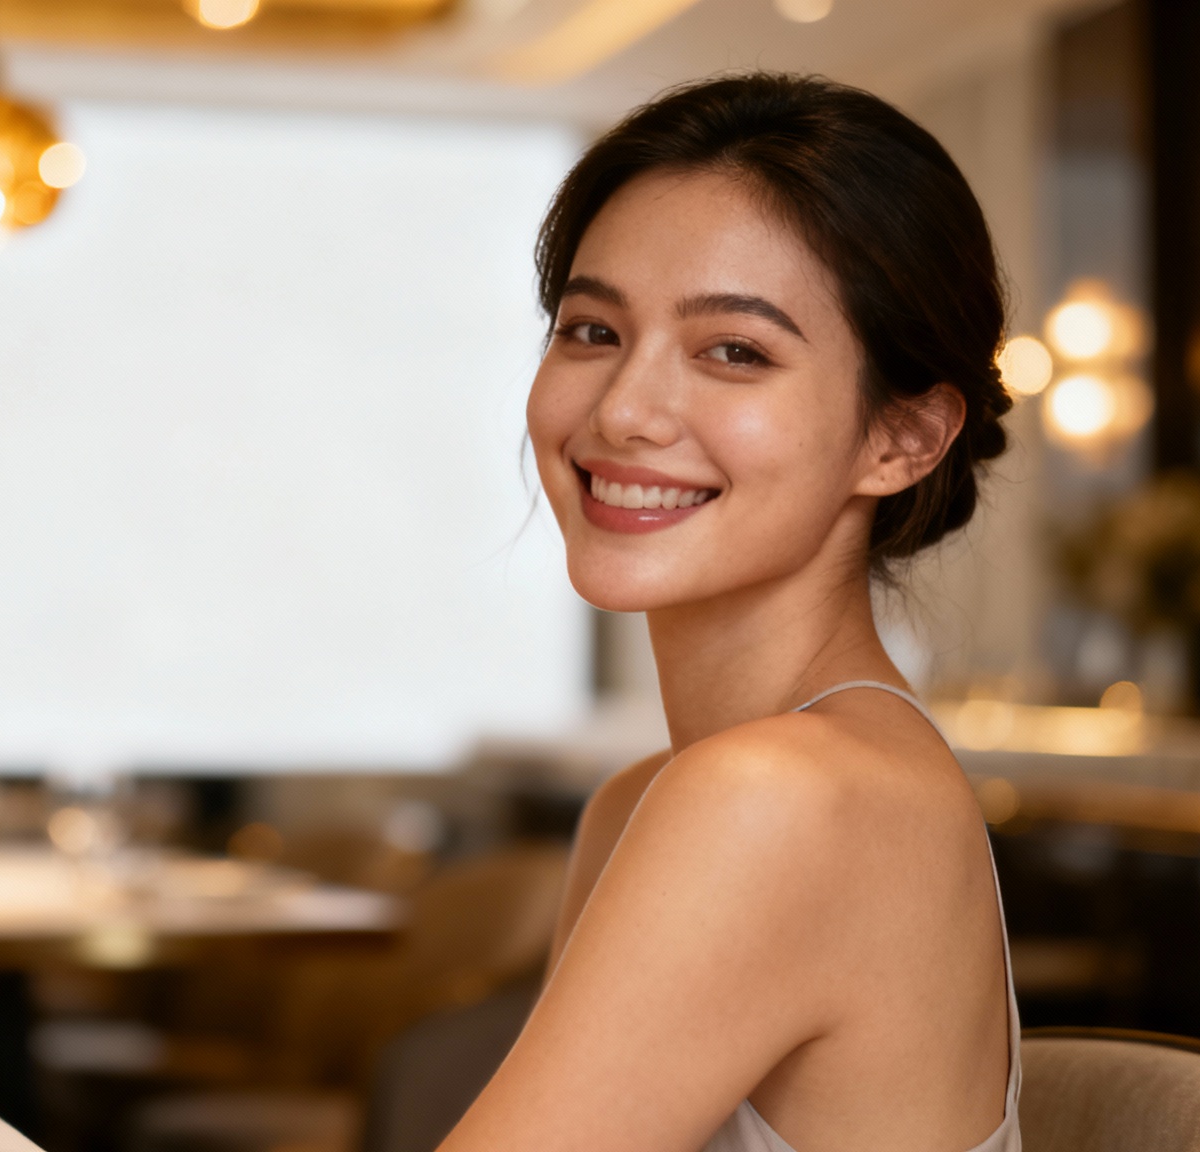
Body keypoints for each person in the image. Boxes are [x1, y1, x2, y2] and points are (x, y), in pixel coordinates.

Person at [436, 74, 1018, 1152]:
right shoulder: (649, 798)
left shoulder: (778, 797)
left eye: (733, 351)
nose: (622, 411)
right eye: (590, 330)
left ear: (901, 437)